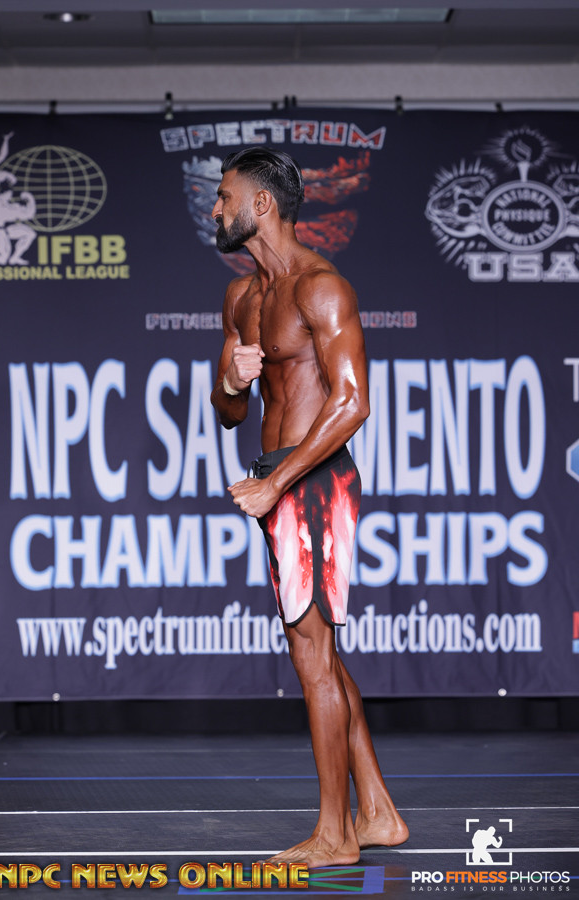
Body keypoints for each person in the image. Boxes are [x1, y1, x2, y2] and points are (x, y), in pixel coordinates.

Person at [210, 147, 408, 868]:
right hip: (276, 478)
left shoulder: (322, 287)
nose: (216, 209)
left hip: (315, 480)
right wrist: (231, 381)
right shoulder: (241, 298)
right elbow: (230, 413)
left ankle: (334, 834)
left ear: (261, 204)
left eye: (225, 196)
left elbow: (352, 404)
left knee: (311, 653)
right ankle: (378, 811)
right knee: (317, 646)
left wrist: (278, 484)